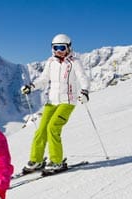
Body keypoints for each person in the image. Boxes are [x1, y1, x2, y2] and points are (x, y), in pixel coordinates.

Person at [20, 33, 91, 175]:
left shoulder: (74, 62)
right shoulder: (51, 62)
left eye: (62, 47)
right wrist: (31, 87)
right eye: (56, 47)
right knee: (41, 130)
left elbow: (83, 78)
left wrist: (84, 92)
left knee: (53, 128)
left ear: (69, 48)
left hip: (67, 102)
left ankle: (57, 161)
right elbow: (44, 79)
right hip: (52, 102)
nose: (59, 50)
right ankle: (36, 160)